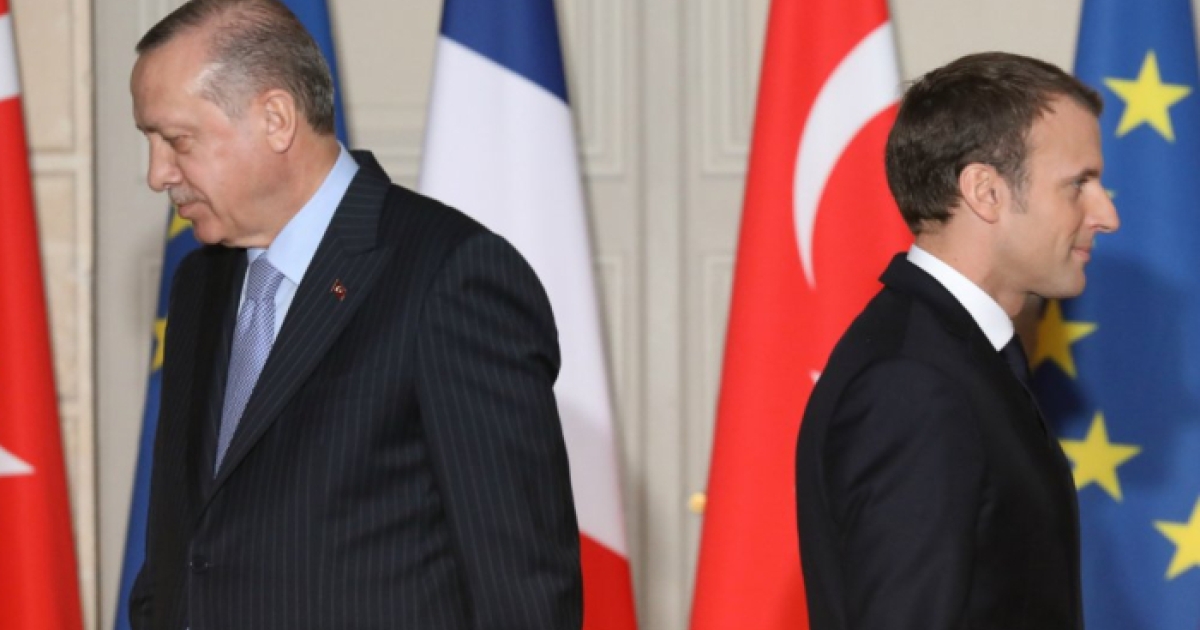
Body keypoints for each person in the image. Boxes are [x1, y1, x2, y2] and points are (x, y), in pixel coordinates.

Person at [127, 1, 582, 628]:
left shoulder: (450, 276)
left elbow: (523, 589)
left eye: (177, 141)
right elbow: (179, 552)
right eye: (149, 142)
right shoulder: (199, 284)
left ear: (276, 119)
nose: (157, 174)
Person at [795, 51, 1119, 630]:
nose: (1107, 215)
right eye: (1078, 184)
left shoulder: (957, 356)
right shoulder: (913, 384)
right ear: (985, 191)